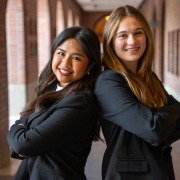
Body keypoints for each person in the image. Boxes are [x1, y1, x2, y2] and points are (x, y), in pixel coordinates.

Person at [94, 5, 180, 180]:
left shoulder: (149, 77)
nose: (132, 41)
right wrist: (168, 115)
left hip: (160, 169)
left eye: (138, 33)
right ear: (111, 41)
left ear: (147, 36)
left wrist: (160, 121)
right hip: (129, 175)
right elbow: (153, 130)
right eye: (123, 35)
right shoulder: (108, 82)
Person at [7, 26, 102, 180]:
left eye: (76, 58)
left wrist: (19, 132)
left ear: (90, 65)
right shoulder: (52, 89)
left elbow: (23, 145)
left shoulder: (80, 103)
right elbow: (23, 133)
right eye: (61, 53)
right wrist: (22, 135)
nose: (65, 63)